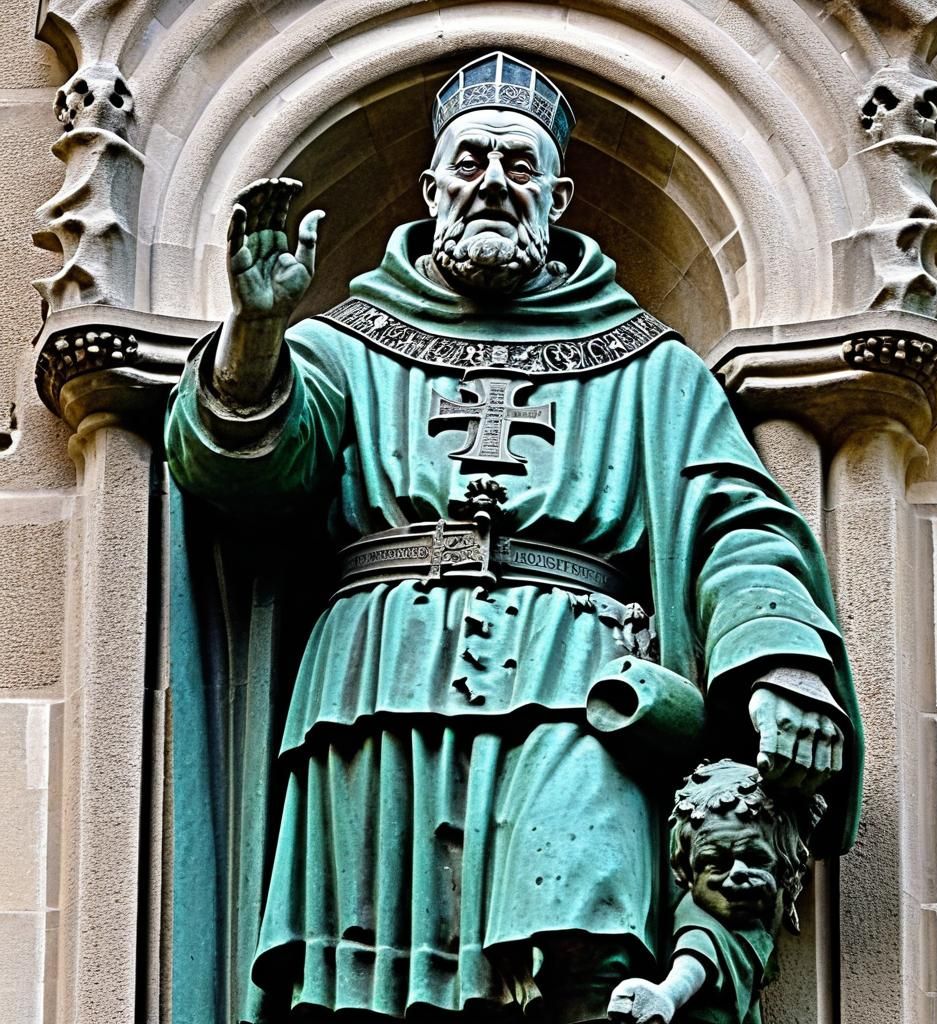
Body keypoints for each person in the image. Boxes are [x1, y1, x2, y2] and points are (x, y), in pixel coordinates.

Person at [166, 51, 862, 1024]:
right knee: (364, 985)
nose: (493, 181)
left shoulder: (650, 371)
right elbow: (236, 474)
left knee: (589, 935)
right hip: (376, 689)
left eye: (518, 165)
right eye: (471, 161)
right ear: (429, 185)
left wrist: (782, 661)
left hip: (583, 687)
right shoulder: (340, 345)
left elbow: (739, 522)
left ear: (561, 193)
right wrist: (253, 333)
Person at [608, 759, 826, 1024]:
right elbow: (693, 963)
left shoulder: (741, 915)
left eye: (755, 858)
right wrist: (667, 995)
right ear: (686, 873)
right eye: (716, 863)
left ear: (788, 869)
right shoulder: (703, 920)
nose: (736, 873)